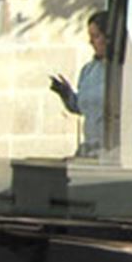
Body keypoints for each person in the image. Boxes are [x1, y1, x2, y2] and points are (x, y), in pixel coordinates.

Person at [50, 10, 111, 156]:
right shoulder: (88, 70)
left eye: (96, 36)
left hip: (110, 150)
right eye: (90, 37)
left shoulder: (124, 72)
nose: (91, 42)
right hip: (89, 149)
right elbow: (82, 107)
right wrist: (66, 93)